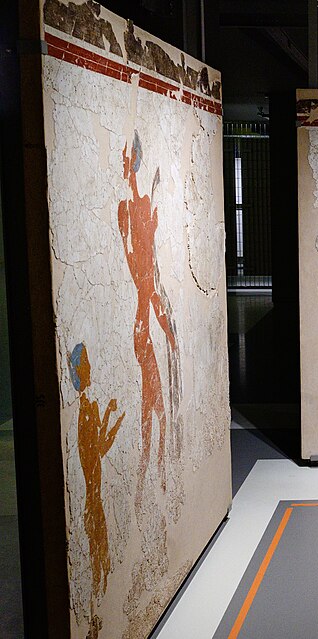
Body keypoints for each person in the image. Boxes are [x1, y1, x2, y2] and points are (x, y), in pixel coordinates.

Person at [117, 131, 180, 501]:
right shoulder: (129, 211)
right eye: (128, 160)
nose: (129, 164)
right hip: (143, 323)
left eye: (131, 158)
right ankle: (149, 474)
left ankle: (154, 473)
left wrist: (166, 326)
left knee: (156, 408)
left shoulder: (139, 206)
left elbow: (150, 276)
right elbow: (144, 277)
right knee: (153, 407)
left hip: (150, 315)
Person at [70, 343, 124, 637]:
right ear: (79, 372)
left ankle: (95, 617)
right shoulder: (84, 412)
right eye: (85, 365)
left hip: (96, 499)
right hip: (93, 502)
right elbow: (99, 449)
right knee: (98, 562)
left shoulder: (88, 409)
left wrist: (110, 417)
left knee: (101, 560)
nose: (89, 368)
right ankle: (93, 620)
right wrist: (113, 422)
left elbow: (97, 446)